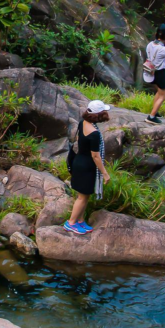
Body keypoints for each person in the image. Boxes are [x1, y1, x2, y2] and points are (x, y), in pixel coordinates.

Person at [65, 100, 112, 235]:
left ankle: (80, 220)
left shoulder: (82, 123)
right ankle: (71, 223)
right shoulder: (95, 134)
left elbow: (80, 140)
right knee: (82, 197)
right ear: (99, 114)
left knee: (85, 196)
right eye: (104, 111)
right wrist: (104, 173)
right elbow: (95, 156)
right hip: (86, 167)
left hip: (79, 162)